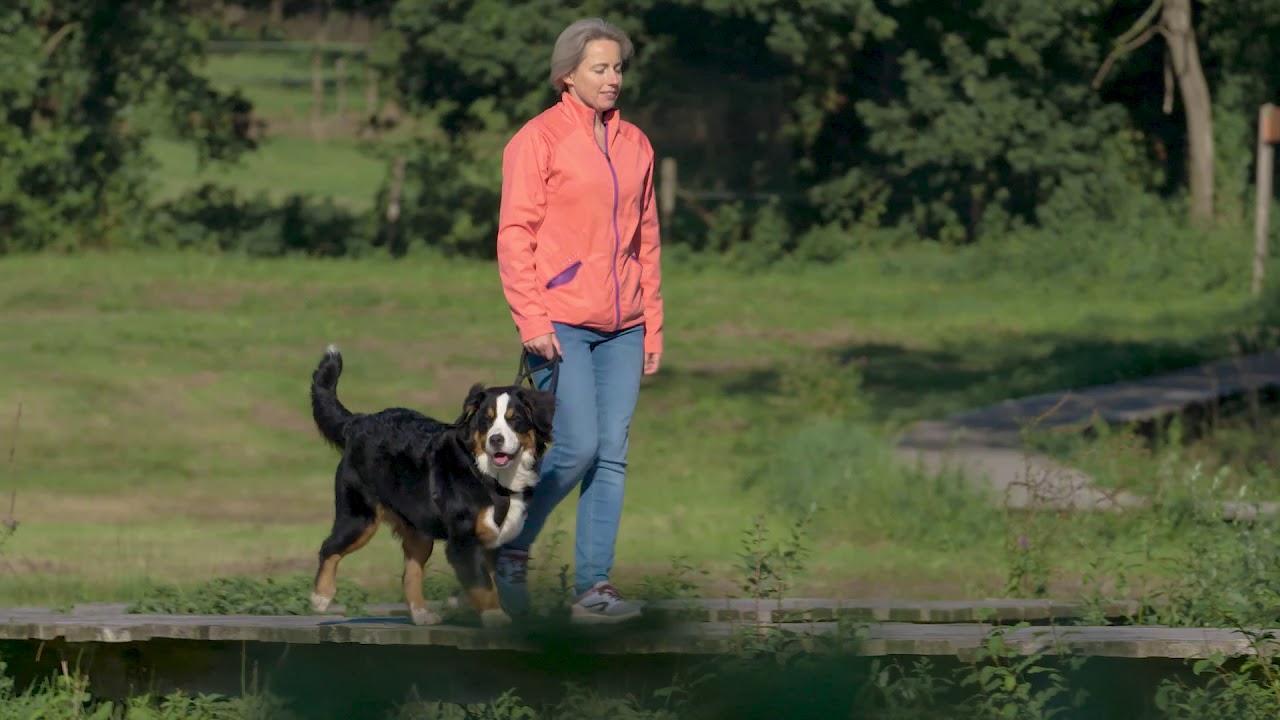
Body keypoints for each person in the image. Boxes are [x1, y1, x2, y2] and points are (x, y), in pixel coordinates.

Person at [492, 16, 664, 624]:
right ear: (568, 75)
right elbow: (515, 234)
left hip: (625, 324)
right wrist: (531, 317)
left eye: (618, 67)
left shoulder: (636, 144)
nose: (613, 78)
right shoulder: (536, 141)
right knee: (576, 448)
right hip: (560, 319)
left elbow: (647, 239)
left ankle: (594, 589)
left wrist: (654, 324)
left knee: (611, 454)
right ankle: (509, 546)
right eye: (600, 67)